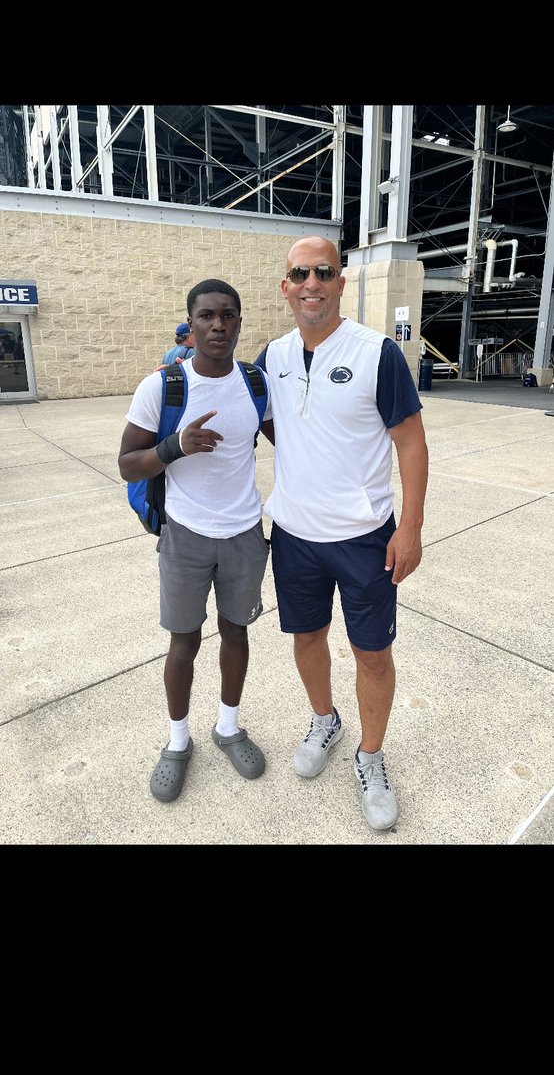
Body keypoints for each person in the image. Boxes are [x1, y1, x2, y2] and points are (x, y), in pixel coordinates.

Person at [256, 236, 428, 832]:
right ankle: (325, 719)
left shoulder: (377, 352)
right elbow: (247, 410)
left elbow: (411, 441)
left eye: (323, 272)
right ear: (285, 286)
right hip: (295, 535)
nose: (311, 284)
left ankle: (371, 757)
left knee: (372, 653)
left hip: (364, 538)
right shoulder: (272, 356)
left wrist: (411, 526)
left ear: (340, 282)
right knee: (307, 639)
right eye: (299, 273)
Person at [118, 279, 270, 804]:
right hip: (185, 535)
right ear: (190, 323)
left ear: (239, 323)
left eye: (228, 315)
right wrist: (174, 446)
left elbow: (294, 444)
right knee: (183, 644)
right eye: (207, 315)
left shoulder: (256, 383)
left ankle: (227, 728)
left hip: (246, 535)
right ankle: (177, 742)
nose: (218, 325)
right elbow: (126, 464)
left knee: (237, 636)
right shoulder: (162, 387)